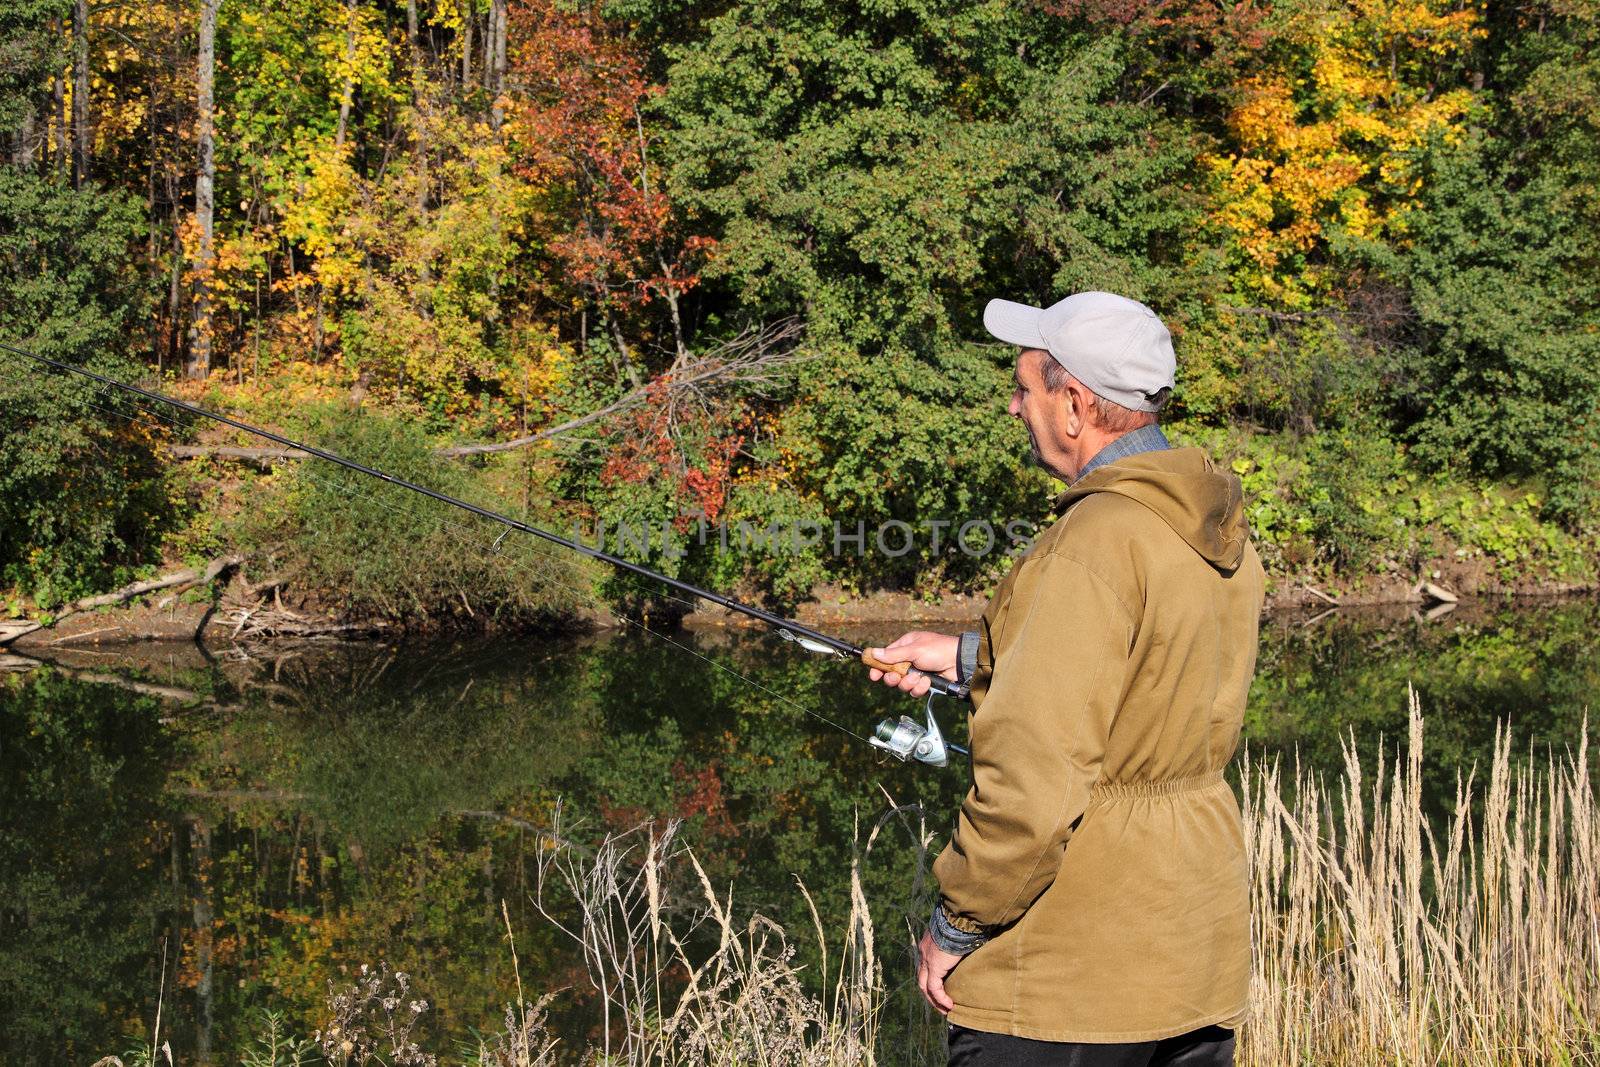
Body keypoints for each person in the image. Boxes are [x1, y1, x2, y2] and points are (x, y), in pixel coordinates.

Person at [866, 291, 1264, 1066]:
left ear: (1076, 403)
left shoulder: (1090, 544)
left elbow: (1033, 787)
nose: (1014, 407)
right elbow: (1150, 680)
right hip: (1192, 953)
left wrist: (956, 924)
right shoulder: (1215, 531)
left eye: (1024, 388)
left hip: (1070, 980)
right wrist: (968, 659)